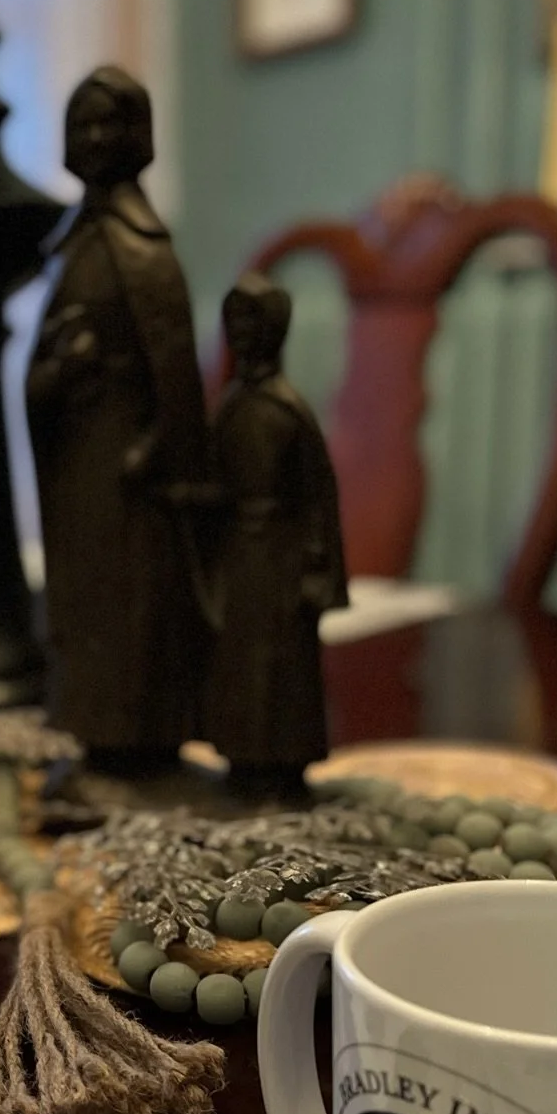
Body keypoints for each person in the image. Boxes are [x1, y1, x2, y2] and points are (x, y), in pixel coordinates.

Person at [25, 67, 210, 770]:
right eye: (83, 123)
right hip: (83, 468)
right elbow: (48, 363)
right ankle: (101, 741)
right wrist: (58, 376)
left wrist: (158, 452)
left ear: (141, 138)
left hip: (128, 472)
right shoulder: (76, 245)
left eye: (110, 122)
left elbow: (175, 375)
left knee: (133, 610)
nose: (96, 138)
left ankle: (139, 747)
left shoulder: (141, 251)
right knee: (86, 606)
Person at [203, 271, 348, 793]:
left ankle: (283, 768)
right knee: (240, 664)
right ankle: (244, 761)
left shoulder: (289, 412)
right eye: (234, 324)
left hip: (282, 562)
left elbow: (319, 503)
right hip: (240, 557)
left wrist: (317, 570)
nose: (243, 336)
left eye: (252, 323)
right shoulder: (231, 408)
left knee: (282, 669)